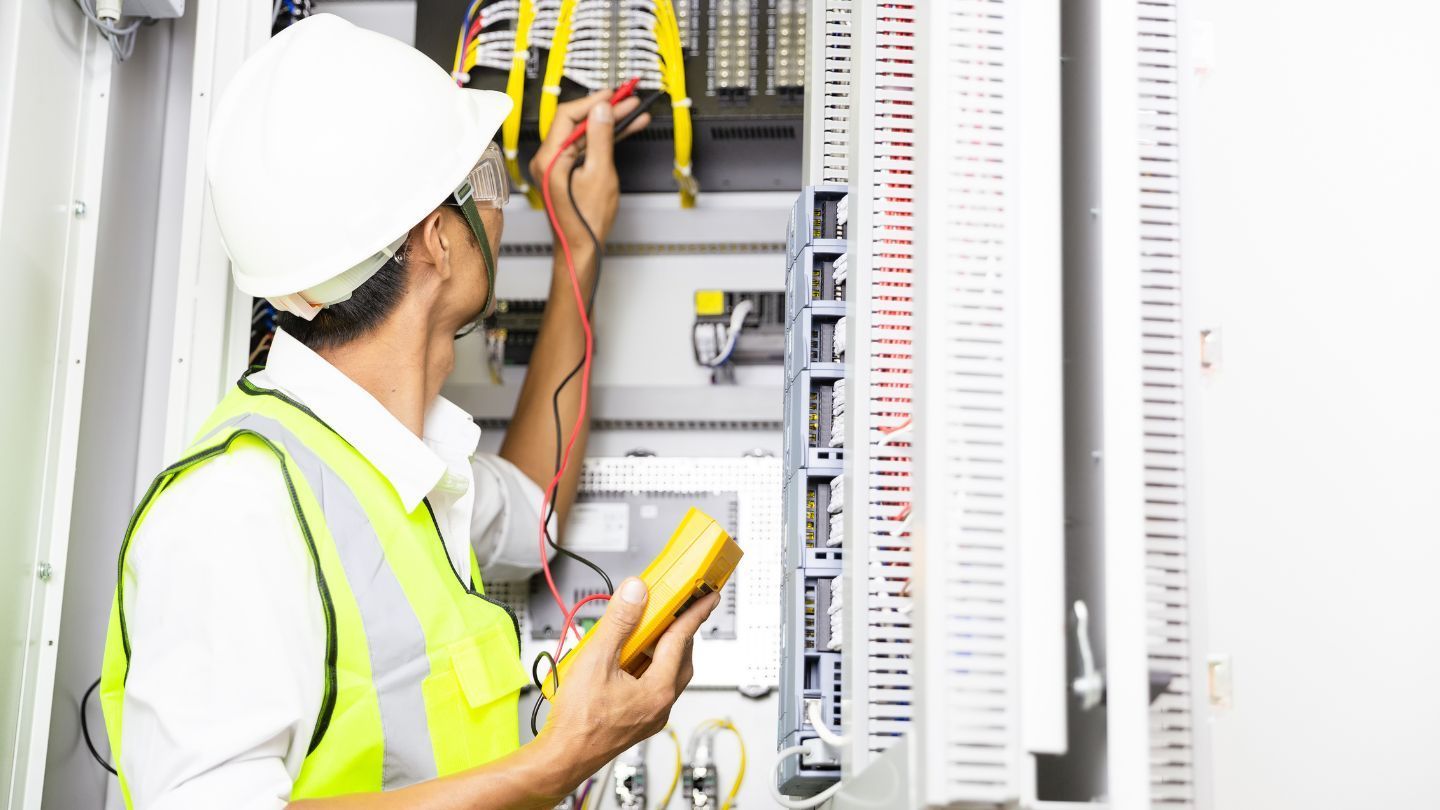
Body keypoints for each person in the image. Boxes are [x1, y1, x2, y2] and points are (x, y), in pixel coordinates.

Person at [97, 14, 719, 809]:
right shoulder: (234, 512)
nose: (504, 204)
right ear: (440, 241)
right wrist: (556, 761)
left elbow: (532, 509)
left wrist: (580, 249)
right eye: (488, 181)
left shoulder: (395, 461)